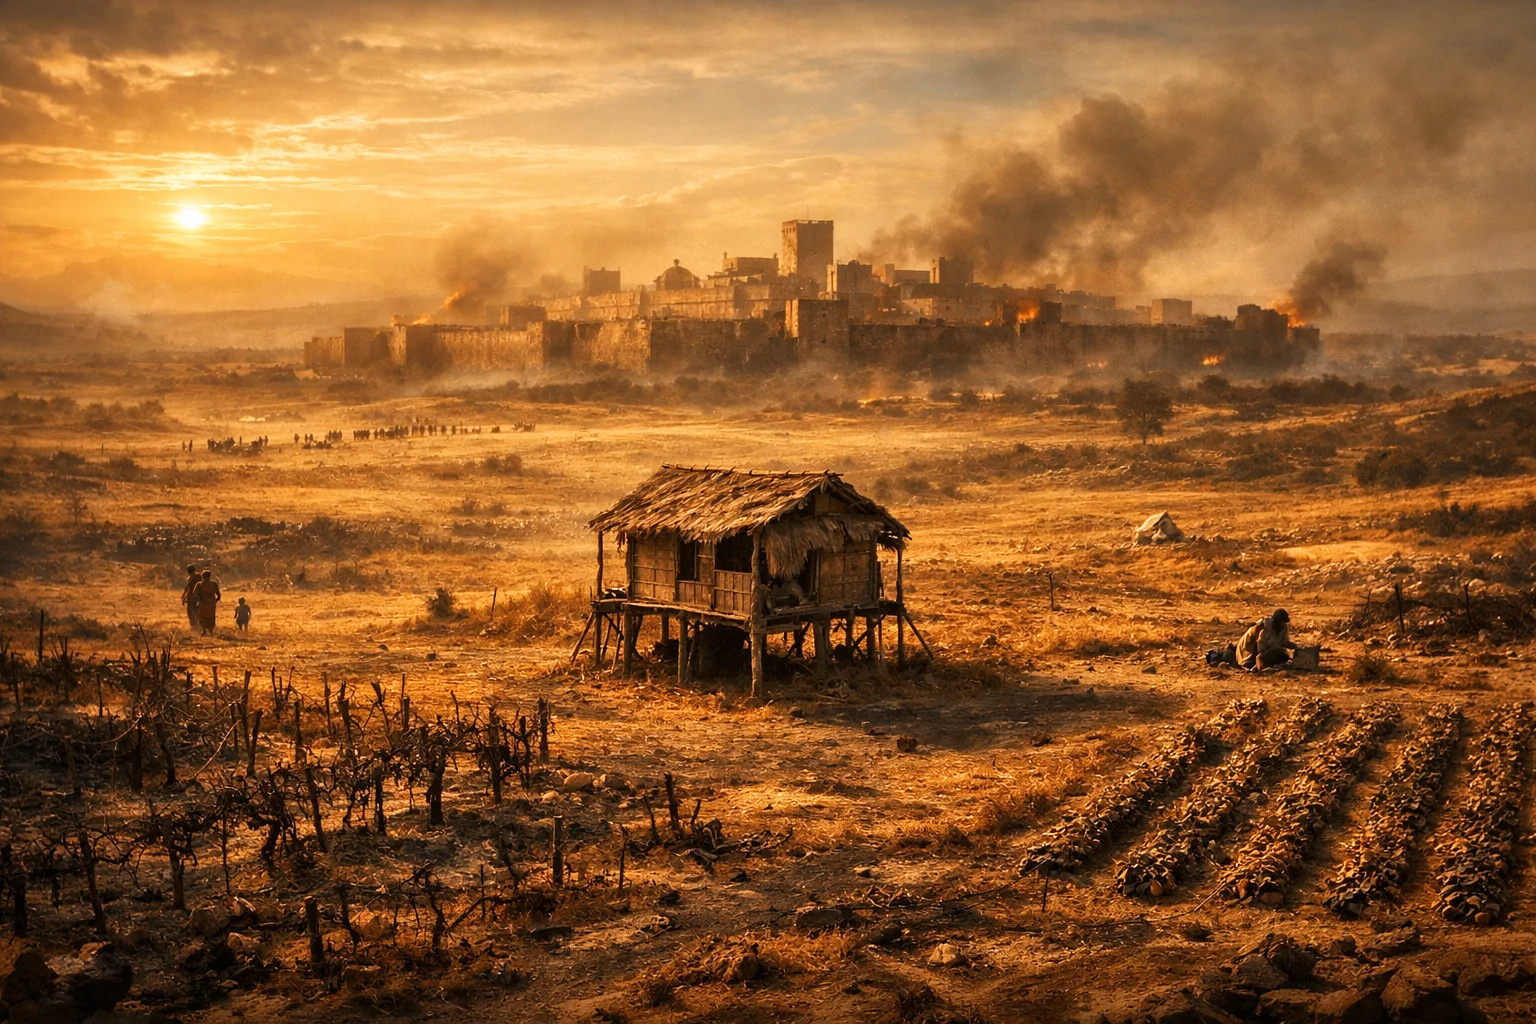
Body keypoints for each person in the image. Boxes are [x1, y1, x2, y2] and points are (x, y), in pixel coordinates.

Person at [193, 570, 222, 636]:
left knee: (200, 617)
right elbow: (219, 595)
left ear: (202, 576)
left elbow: (195, 594)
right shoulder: (214, 584)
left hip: (202, 604)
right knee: (211, 618)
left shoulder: (199, 584)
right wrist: (214, 601)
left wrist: (199, 601)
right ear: (210, 576)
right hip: (211, 604)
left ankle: (203, 630)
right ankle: (211, 631)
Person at [180, 564, 200, 628]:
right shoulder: (199, 576)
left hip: (192, 598)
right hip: (198, 597)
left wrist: (184, 596)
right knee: (197, 612)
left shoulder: (190, 578)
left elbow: (188, 588)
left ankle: (194, 626)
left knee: (191, 613)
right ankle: (198, 626)